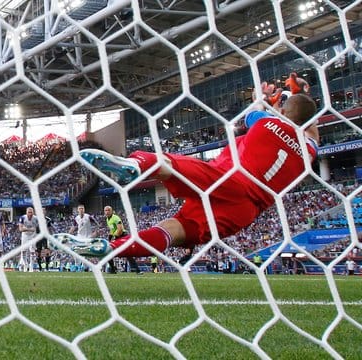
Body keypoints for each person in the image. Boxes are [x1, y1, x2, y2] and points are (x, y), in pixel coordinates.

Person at [53, 90, 319, 267]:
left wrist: (264, 98)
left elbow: (255, 111)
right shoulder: (308, 152)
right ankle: (110, 248)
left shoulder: (265, 123)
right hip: (246, 210)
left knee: (169, 163)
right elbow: (309, 130)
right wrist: (294, 104)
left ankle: (135, 164)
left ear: (284, 112)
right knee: (175, 230)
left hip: (229, 180)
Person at [18, 207, 39, 272]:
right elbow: (20, 229)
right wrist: (29, 229)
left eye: (31, 212)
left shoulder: (36, 218)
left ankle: (31, 266)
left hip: (33, 235)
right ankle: (25, 265)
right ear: (26, 213)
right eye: (29, 212)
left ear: (33, 213)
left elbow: (38, 227)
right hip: (25, 235)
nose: (30, 214)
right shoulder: (22, 218)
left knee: (32, 251)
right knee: (24, 251)